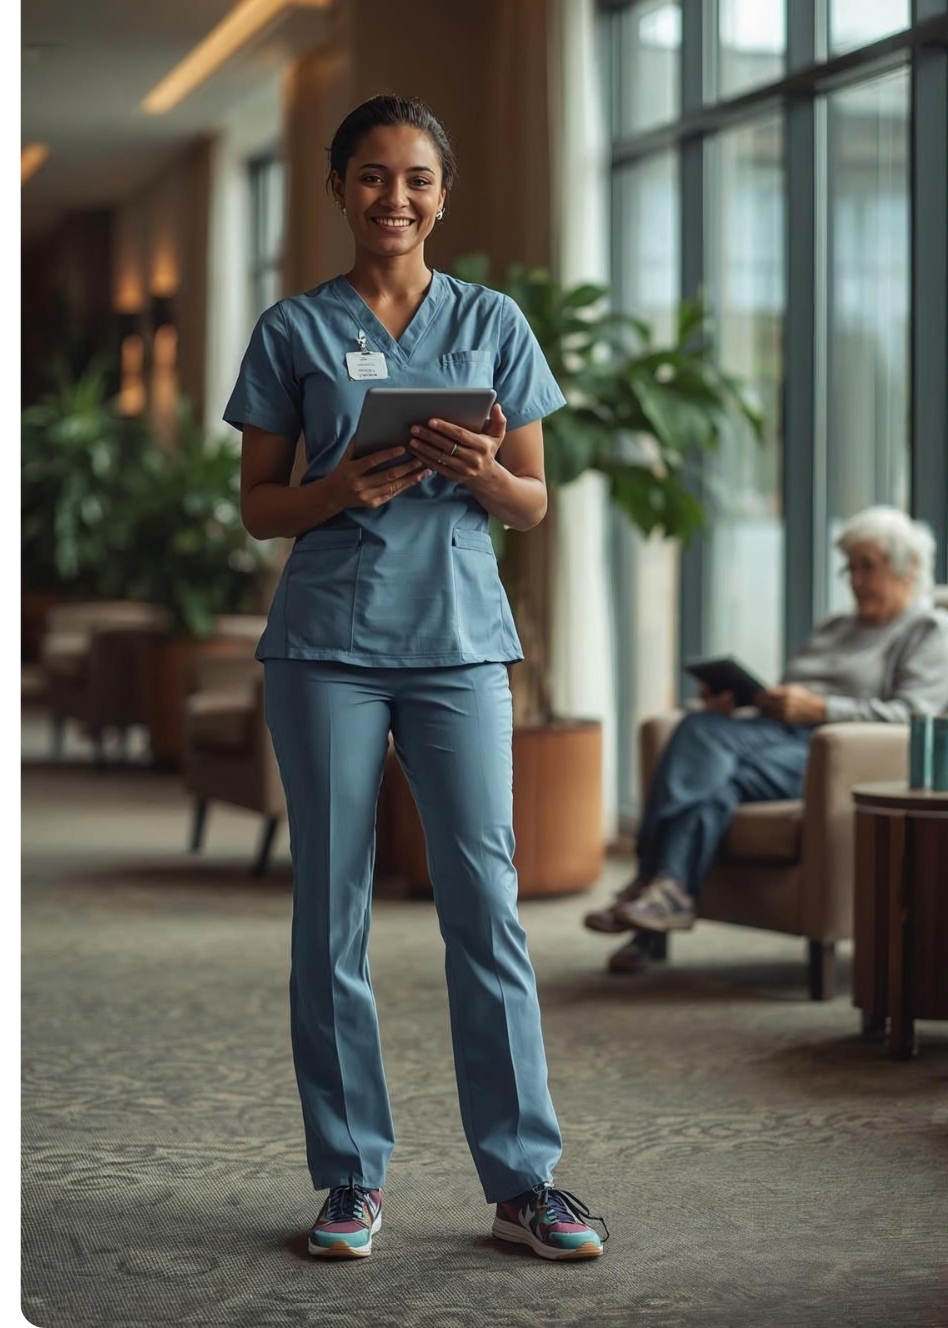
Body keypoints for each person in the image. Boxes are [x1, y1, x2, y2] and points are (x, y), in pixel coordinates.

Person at [223, 94, 607, 1261]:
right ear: (340, 190)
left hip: (456, 646)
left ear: (443, 195)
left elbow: (534, 501)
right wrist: (340, 488)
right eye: (374, 176)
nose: (397, 197)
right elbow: (256, 507)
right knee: (329, 908)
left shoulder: (493, 323)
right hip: (327, 645)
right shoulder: (292, 330)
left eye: (418, 180)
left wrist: (484, 471)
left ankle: (523, 1180)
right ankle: (349, 1178)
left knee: (484, 906)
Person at [585, 506, 948, 974]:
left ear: (907, 569)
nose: (855, 580)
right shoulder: (836, 627)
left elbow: (916, 714)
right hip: (773, 735)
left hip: (835, 751)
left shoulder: (930, 629)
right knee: (709, 760)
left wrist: (822, 709)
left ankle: (647, 884)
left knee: (703, 745)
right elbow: (789, 692)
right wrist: (745, 703)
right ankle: (662, 900)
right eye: (850, 567)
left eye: (868, 566)